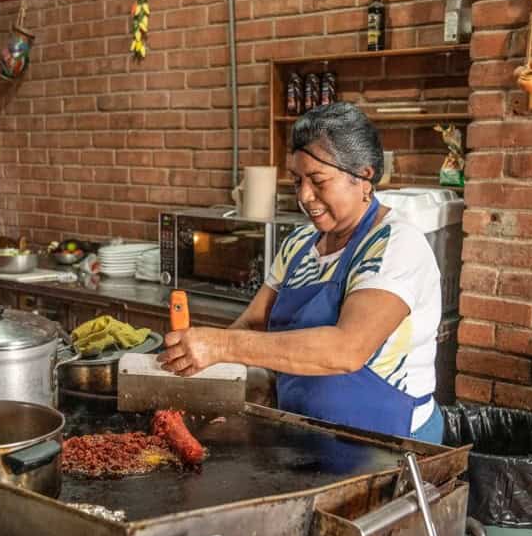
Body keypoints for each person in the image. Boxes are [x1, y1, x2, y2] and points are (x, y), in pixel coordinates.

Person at [158, 102, 444, 444]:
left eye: (318, 181)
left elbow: (346, 349)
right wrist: (207, 372)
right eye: (297, 181)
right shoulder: (300, 243)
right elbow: (252, 324)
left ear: (365, 176)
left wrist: (220, 346)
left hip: (385, 444)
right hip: (301, 435)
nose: (304, 196)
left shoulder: (395, 245)